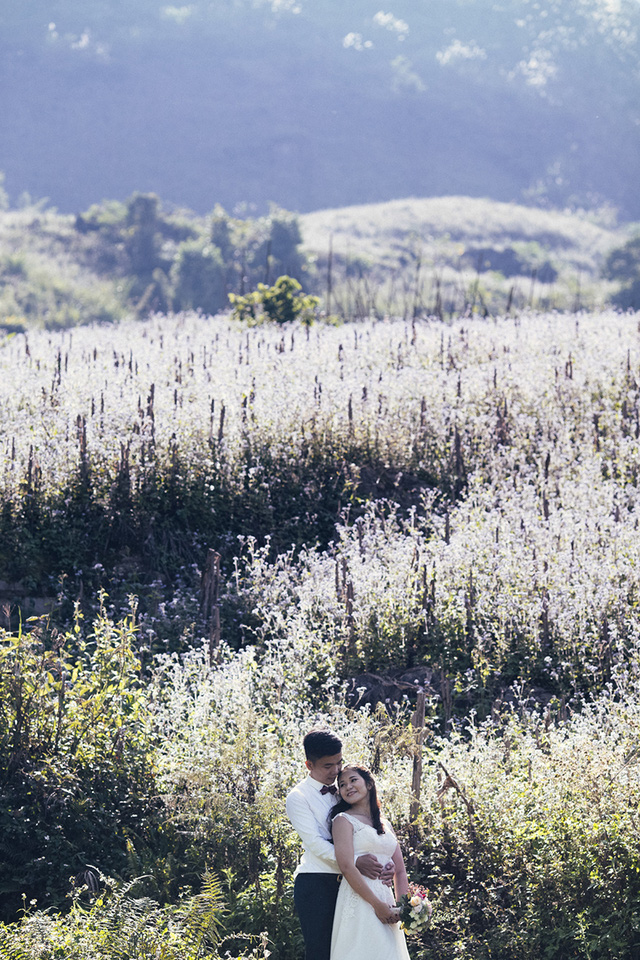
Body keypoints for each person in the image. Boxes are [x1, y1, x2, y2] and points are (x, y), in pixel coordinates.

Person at [286, 731, 394, 960]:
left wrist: (385, 863)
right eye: (328, 766)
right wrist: (354, 863)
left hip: (351, 885)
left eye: (339, 763)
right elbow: (315, 844)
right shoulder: (298, 797)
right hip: (316, 883)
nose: (336, 771)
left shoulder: (345, 790)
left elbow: (364, 830)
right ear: (309, 764)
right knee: (321, 952)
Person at [329, 764, 411, 960]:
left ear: (369, 783)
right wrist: (376, 904)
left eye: (353, 780)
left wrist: (403, 907)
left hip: (387, 901)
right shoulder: (343, 820)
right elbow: (347, 866)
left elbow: (400, 871)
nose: (348, 786)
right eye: (342, 784)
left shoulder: (385, 823)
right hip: (361, 900)